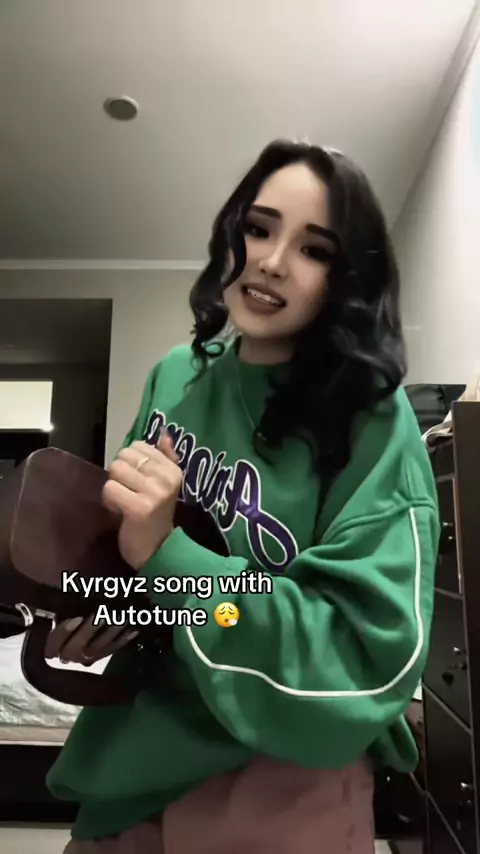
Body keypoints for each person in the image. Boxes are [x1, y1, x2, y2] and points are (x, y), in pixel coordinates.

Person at [46, 140, 440, 853]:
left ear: (347, 280)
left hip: (283, 776)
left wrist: (171, 561)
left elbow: (356, 656)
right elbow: (121, 558)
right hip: (126, 770)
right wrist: (92, 618)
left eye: (314, 249)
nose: (271, 261)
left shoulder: (372, 419)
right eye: (258, 229)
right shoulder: (174, 376)